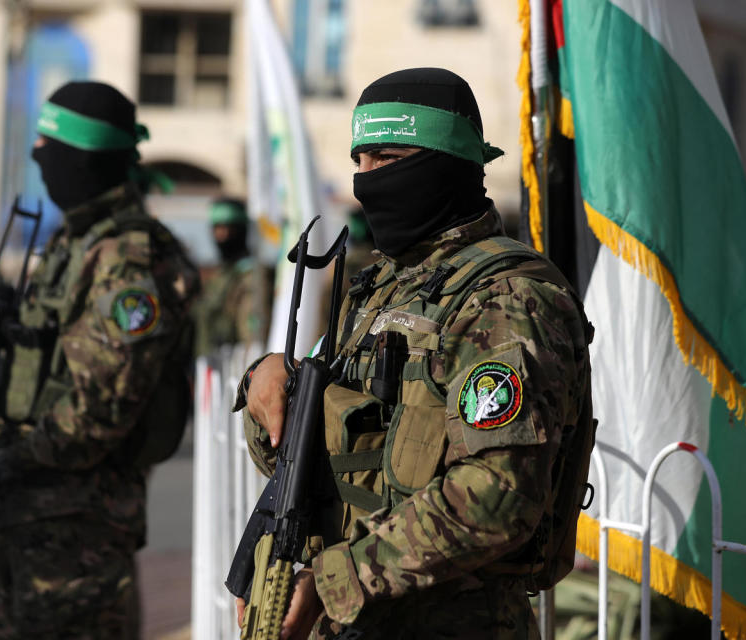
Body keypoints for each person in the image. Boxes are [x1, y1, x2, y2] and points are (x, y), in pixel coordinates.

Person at [235, 68, 594, 638]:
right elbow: (326, 461)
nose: (366, 180)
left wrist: (339, 581)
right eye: (359, 161)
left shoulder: (507, 298)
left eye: (386, 158)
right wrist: (271, 387)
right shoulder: (382, 287)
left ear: (446, 162)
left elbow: (498, 496)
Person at [0, 81, 200, 639]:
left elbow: (99, 414)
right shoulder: (74, 244)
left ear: (79, 157)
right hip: (35, 523)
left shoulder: (127, 261)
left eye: (44, 142)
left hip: (80, 539)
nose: (36, 153)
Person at [194, 197, 272, 356]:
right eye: (217, 228)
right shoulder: (218, 276)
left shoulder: (251, 275)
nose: (222, 236)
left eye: (228, 229)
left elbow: (252, 336)